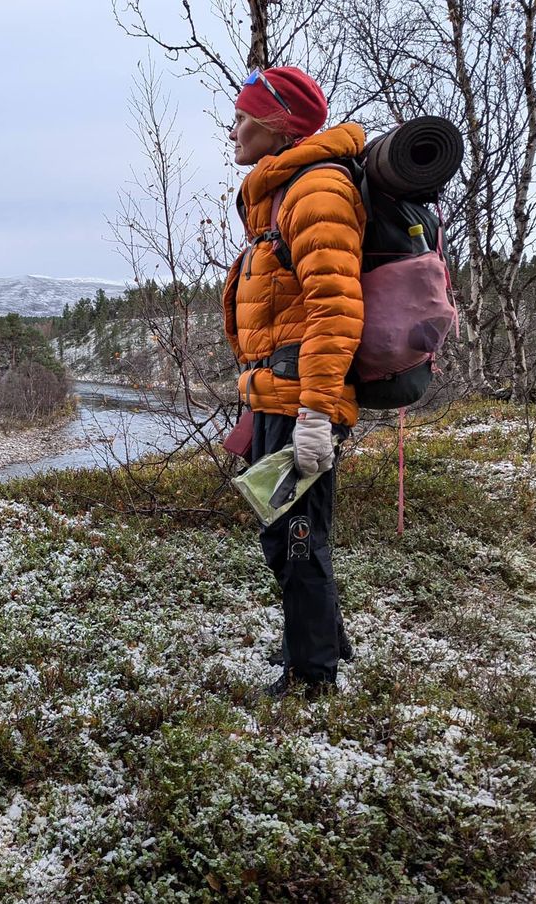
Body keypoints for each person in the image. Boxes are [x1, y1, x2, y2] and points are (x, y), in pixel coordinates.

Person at [221, 66, 365, 700]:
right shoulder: (284, 194)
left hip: (301, 398)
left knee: (297, 540)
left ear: (276, 124)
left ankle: (312, 678)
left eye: (243, 116)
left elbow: (336, 309)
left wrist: (315, 413)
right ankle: (323, 640)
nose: (233, 129)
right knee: (285, 533)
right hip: (278, 397)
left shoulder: (316, 193)